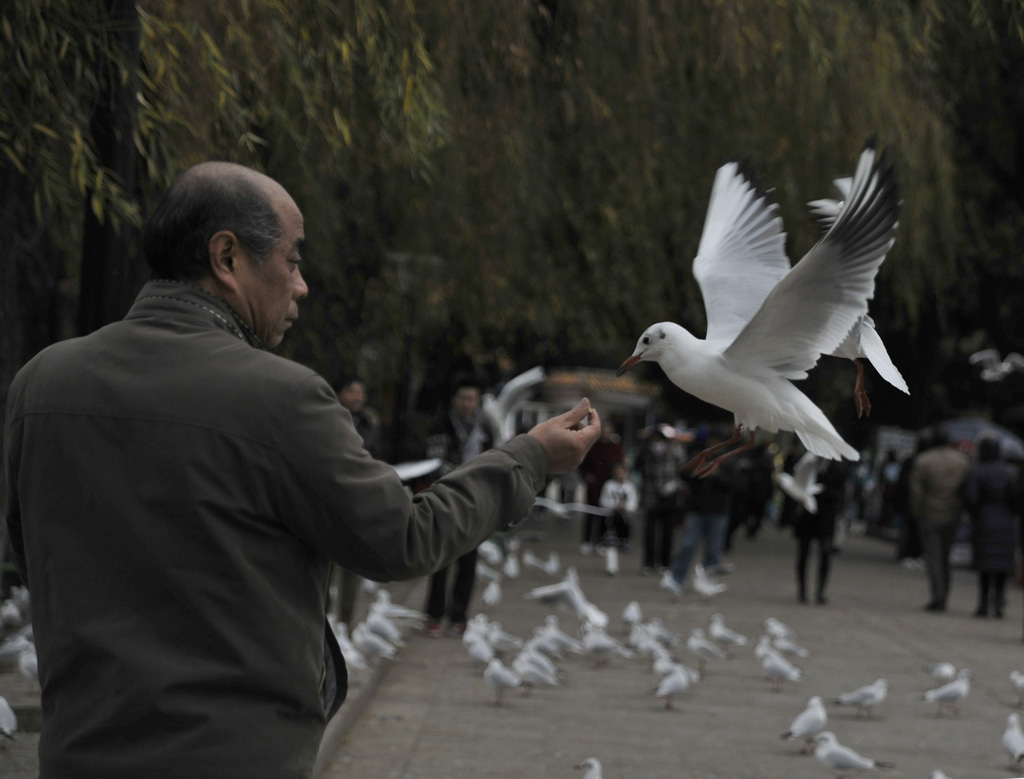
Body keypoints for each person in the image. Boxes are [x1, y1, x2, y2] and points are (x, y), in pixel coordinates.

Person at [2, 162, 601, 779]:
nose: (302, 285)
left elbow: (34, 558)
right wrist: (528, 458)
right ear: (227, 257)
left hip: (80, 750)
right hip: (229, 755)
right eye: (291, 260)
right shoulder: (280, 398)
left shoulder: (40, 384)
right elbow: (402, 539)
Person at [422, 373, 493, 637]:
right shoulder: (441, 425)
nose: (467, 403)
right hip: (446, 500)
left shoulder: (485, 427)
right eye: (463, 398)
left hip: (476, 504)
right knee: (441, 561)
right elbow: (435, 464)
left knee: (469, 562)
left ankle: (459, 617)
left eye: (472, 398)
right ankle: (434, 615)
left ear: (478, 401)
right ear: (455, 400)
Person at [329, 375, 383, 626]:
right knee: (325, 566)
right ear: (339, 393)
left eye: (361, 392)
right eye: (352, 391)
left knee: (353, 567)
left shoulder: (368, 423)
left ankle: (345, 625)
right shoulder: (326, 417)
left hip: (359, 502)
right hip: (330, 501)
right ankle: (322, 621)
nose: (358, 397)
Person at [909, 426, 971, 613]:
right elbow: (967, 489)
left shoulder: (923, 460)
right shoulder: (962, 461)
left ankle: (938, 597)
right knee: (945, 557)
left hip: (929, 514)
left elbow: (916, 491)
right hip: (953, 514)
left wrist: (917, 512)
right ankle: (944, 594)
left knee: (934, 558)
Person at [964, 435, 1023, 618]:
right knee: (1002, 565)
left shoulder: (977, 471)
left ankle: (983, 603)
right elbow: (1017, 499)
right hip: (1006, 523)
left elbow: (971, 498)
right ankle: (998, 603)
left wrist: (977, 514)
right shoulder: (1010, 471)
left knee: (984, 565)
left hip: (984, 521)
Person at [660, 450, 732, 596]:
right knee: (688, 544)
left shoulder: (729, 461)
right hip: (696, 511)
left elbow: (733, 484)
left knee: (714, 549)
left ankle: (707, 583)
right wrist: (700, 470)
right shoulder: (699, 457)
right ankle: (675, 579)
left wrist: (717, 475)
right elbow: (683, 474)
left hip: (718, 513)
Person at [792, 459, 845, 604]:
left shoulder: (837, 467)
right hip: (807, 519)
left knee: (825, 554)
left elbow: (840, 493)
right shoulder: (807, 465)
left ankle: (820, 591)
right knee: (803, 554)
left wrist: (820, 490)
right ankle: (802, 590)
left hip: (826, 520)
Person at [635, 427, 685, 575]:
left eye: (659, 440)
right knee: (650, 533)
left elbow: (683, 469)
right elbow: (637, 470)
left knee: (668, 533)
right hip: (650, 496)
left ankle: (665, 563)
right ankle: (648, 564)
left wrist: (675, 484)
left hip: (670, 497)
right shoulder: (644, 454)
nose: (656, 444)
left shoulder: (674, 452)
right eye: (653, 441)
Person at [578, 420, 623, 553]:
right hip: (594, 486)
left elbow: (619, 465)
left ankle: (600, 541)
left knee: (605, 514)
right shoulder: (592, 446)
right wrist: (587, 477)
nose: (606, 434)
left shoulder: (616, 448)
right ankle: (586, 541)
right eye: (604, 431)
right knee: (590, 513)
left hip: (608, 487)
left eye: (608, 431)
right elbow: (583, 465)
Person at [597, 461, 637, 550]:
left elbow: (634, 504)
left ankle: (624, 539)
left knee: (623, 519)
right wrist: (614, 505)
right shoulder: (608, 485)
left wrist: (626, 506)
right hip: (610, 513)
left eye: (622, 472)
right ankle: (604, 539)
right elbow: (602, 501)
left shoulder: (630, 486)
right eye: (618, 472)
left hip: (625, 514)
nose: (620, 475)